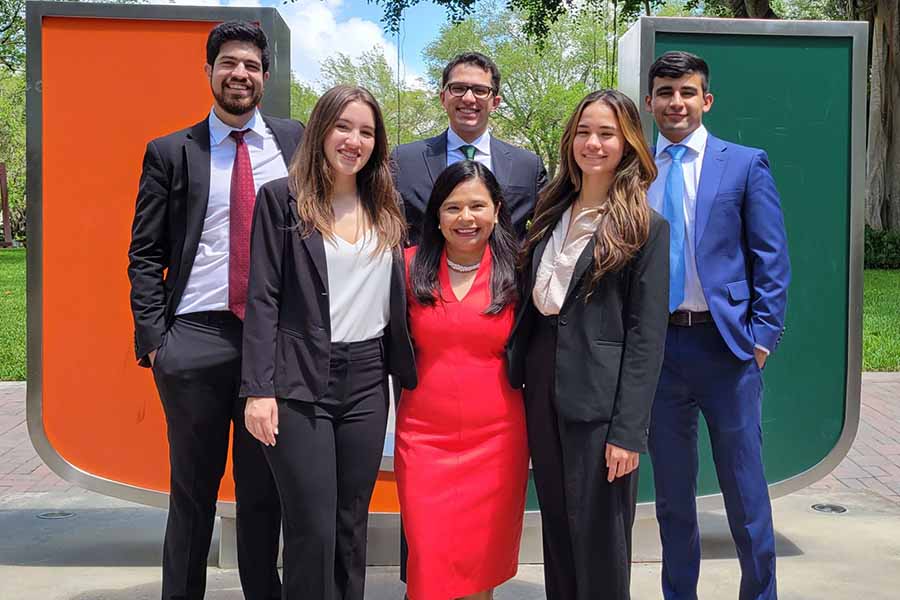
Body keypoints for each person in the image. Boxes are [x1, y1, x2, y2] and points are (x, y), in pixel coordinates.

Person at [127, 21, 303, 600]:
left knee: (261, 497)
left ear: (265, 77)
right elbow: (145, 254)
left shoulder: (295, 143)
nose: (239, 74)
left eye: (251, 66)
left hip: (271, 343)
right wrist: (158, 341)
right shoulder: (171, 152)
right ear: (208, 72)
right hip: (195, 341)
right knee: (193, 496)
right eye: (228, 63)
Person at [240, 85, 417, 600]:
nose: (353, 140)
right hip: (298, 378)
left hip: (366, 378)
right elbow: (263, 298)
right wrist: (259, 389)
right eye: (343, 127)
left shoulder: (388, 205)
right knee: (311, 525)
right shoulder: (283, 199)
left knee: (348, 523)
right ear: (321, 131)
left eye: (366, 131)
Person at [506, 89, 670, 600]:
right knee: (556, 529)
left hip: (600, 405)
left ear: (628, 144)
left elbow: (647, 338)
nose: (592, 143)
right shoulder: (551, 209)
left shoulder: (645, 227)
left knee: (599, 537)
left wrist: (628, 432)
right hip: (542, 390)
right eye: (583, 132)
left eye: (606, 133)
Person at [643, 51, 790, 600]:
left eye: (686, 92)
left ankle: (760, 593)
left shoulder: (744, 163)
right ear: (651, 101)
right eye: (664, 92)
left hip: (727, 349)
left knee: (745, 491)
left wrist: (762, 339)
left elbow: (771, 257)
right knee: (673, 497)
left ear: (706, 100)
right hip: (658, 354)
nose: (674, 102)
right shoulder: (636, 169)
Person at [397, 161, 529, 600]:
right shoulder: (405, 268)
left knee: (478, 565)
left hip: (497, 441)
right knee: (428, 559)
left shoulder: (519, 272)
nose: (466, 218)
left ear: (496, 211)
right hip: (423, 440)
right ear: (436, 215)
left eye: (477, 206)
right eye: (453, 207)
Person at [391, 52, 547, 244]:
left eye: (480, 90)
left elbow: (548, 233)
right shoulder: (404, 161)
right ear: (443, 98)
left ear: (495, 102)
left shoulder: (528, 167)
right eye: (458, 88)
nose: (468, 98)